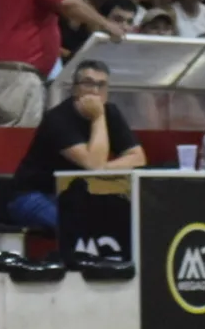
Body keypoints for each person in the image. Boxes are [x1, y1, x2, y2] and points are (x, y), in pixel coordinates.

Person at [7, 60, 143, 230]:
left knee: (124, 221)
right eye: (88, 83)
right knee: (81, 228)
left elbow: (137, 158)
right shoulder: (57, 119)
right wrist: (98, 118)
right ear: (75, 88)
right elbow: (94, 165)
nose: (95, 91)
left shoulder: (111, 112)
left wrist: (105, 168)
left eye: (101, 85)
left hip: (77, 196)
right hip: (34, 196)